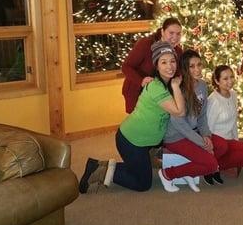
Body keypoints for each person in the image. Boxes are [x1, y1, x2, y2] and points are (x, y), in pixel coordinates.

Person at [78, 41, 185, 193]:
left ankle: (103, 164)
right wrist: (175, 86)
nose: (170, 66)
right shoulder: (157, 86)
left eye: (173, 61)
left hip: (145, 142)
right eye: (164, 62)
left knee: (140, 169)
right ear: (157, 65)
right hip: (131, 141)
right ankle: (98, 171)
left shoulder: (166, 83)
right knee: (142, 184)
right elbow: (179, 111)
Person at [159, 51, 243, 192]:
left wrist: (206, 135)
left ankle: (193, 170)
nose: (197, 69)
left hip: (196, 132)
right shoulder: (178, 88)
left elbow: (202, 117)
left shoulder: (201, 85)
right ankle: (168, 174)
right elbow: (179, 123)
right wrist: (201, 141)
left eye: (199, 65)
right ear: (184, 68)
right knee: (211, 165)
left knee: (238, 150)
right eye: (192, 66)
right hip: (176, 136)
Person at [205, 64, 243, 184]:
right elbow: (208, 128)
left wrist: (236, 142)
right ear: (217, 81)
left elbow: (233, 123)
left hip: (229, 141)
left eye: (231, 77)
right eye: (225, 79)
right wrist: (210, 148)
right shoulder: (213, 100)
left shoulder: (234, 95)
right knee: (224, 147)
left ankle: (215, 166)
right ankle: (210, 166)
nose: (230, 81)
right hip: (216, 143)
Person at [122, 18, 183, 113]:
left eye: (178, 34)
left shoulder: (178, 51)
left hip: (159, 95)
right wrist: (141, 80)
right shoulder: (145, 44)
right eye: (171, 33)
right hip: (136, 91)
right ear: (162, 32)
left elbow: (177, 73)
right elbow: (126, 67)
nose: (175, 37)